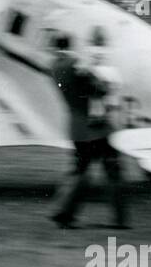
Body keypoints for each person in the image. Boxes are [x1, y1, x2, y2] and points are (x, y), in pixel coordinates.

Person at [48, 32, 128, 229]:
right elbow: (100, 90)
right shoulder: (77, 66)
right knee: (113, 171)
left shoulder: (55, 67)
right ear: (70, 45)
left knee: (79, 170)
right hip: (96, 127)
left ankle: (63, 212)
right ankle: (119, 219)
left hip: (76, 127)